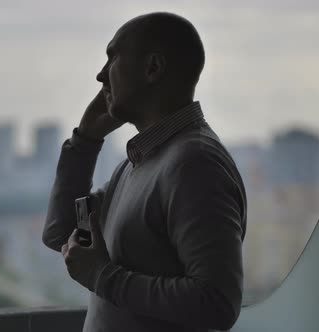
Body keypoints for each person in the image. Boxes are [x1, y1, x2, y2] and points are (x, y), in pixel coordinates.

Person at [42, 12, 247, 332]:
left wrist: (101, 276)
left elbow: (217, 303)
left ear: (152, 68)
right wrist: (84, 143)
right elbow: (63, 233)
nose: (100, 75)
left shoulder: (194, 164)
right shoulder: (138, 163)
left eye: (112, 57)